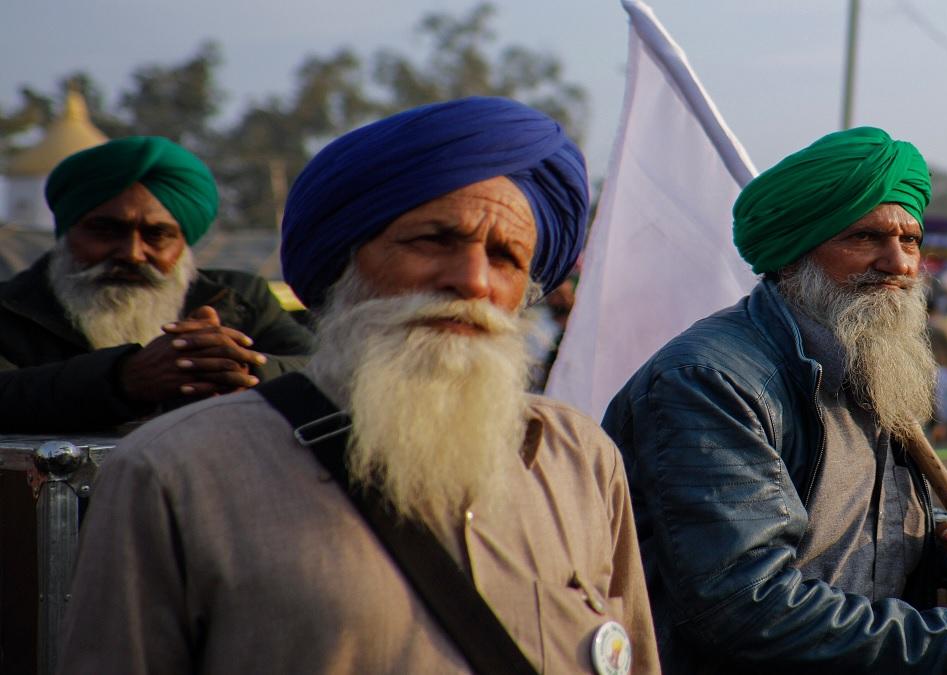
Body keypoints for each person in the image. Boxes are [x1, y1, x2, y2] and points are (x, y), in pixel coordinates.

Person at [57, 98, 659, 674]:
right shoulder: (174, 472)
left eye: (505, 257)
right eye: (434, 240)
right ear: (346, 262)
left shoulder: (579, 458)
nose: (473, 281)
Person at [603, 127, 947, 673]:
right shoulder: (711, 381)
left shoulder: (868, 358)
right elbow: (745, 606)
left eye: (911, 240)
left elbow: (842, 539)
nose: (899, 264)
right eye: (865, 238)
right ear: (794, 254)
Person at [0, 136, 313, 432]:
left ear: (183, 243)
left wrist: (243, 370)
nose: (132, 254)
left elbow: (324, 369)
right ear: (67, 232)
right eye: (106, 230)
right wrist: (123, 378)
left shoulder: (241, 299)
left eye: (157, 235)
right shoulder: (11, 309)